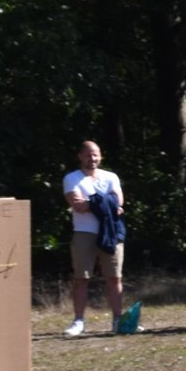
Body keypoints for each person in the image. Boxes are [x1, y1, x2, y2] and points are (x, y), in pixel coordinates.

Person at [62, 140, 127, 338]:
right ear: (80, 156)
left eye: (96, 154)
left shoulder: (111, 177)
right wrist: (104, 202)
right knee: (81, 278)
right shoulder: (72, 178)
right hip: (84, 232)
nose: (93, 159)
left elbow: (118, 201)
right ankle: (78, 321)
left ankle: (118, 320)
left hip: (111, 232)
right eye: (88, 155)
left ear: (101, 156)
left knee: (114, 277)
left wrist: (94, 202)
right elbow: (76, 204)